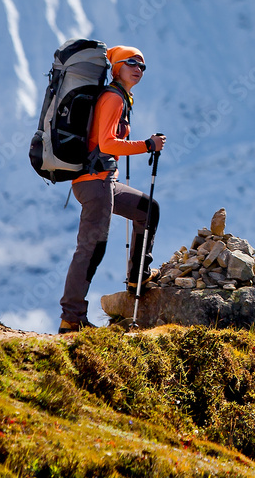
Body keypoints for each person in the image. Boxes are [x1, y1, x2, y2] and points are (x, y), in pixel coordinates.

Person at [59, 45, 166, 334]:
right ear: (116, 67)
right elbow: (107, 144)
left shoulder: (118, 97)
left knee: (147, 210)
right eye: (131, 63)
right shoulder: (113, 98)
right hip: (96, 182)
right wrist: (147, 145)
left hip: (100, 181)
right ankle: (71, 317)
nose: (138, 69)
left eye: (142, 66)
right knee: (91, 248)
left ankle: (137, 278)